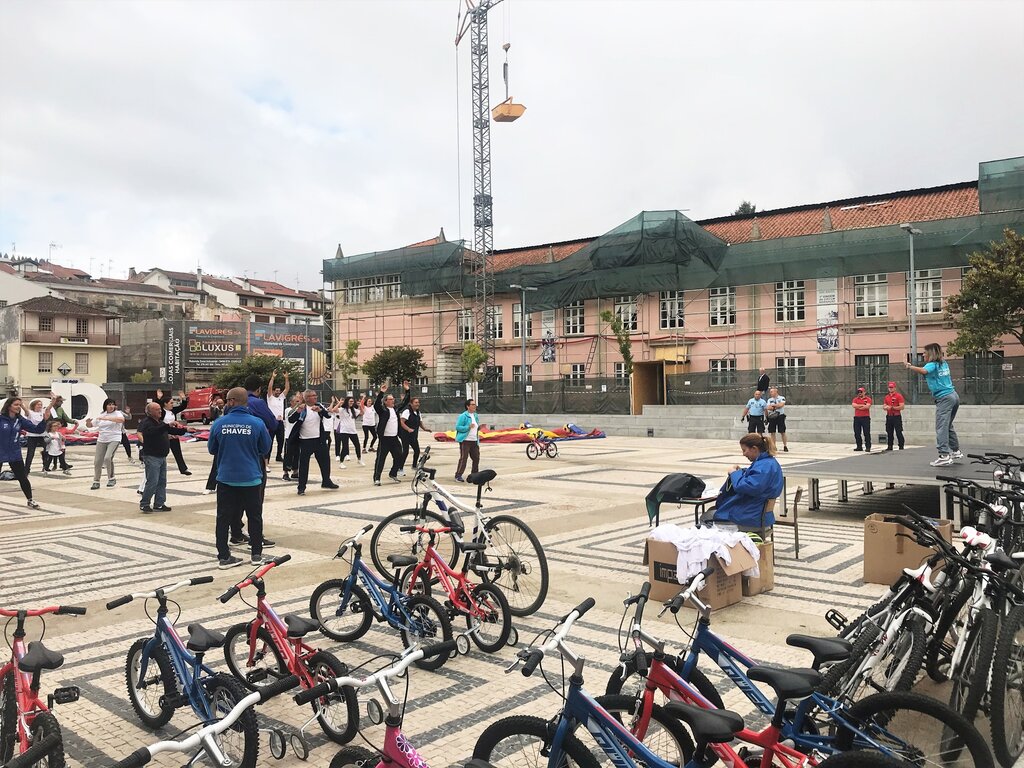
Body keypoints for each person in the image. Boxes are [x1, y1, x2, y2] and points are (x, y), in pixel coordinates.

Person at [208, 387, 273, 569]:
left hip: (226, 478)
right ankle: (256, 554)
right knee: (254, 516)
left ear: (231, 401)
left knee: (223, 517)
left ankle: (224, 556)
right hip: (251, 477)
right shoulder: (257, 423)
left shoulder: (219, 423)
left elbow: (212, 449)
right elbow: (265, 448)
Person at [710, 433, 784, 529]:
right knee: (712, 513)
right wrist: (742, 472)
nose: (743, 454)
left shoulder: (764, 466)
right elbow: (755, 480)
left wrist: (734, 473)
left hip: (751, 517)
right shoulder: (769, 463)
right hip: (760, 515)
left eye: (744, 450)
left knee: (707, 518)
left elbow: (744, 486)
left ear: (754, 449)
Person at [906, 343, 961, 467]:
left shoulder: (932, 364)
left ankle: (944, 455)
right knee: (947, 425)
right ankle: (955, 451)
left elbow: (924, 371)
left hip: (944, 398)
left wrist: (910, 366)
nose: (923, 355)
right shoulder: (943, 363)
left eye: (925, 353)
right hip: (953, 395)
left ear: (930, 354)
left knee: (941, 427)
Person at [138, 401, 194, 513]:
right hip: (152, 456)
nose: (160, 411)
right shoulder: (147, 423)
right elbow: (153, 431)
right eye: (157, 409)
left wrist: (185, 430)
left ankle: (159, 503)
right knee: (152, 481)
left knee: (162, 481)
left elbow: (170, 430)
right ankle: (144, 504)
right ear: (150, 412)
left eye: (160, 409)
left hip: (162, 456)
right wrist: (167, 425)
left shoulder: (160, 422)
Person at [288, 389, 339, 495]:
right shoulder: (301, 407)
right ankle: (301, 487)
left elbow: (328, 415)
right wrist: (298, 411)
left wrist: (320, 410)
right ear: (307, 398)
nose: (315, 397)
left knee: (325, 461)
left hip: (319, 439)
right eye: (313, 396)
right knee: (304, 465)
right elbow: (290, 419)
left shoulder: (318, 405)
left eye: (315, 395)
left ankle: (326, 481)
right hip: (305, 441)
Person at [0, 397, 46, 508]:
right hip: (0, 451)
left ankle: (30, 500)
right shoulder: (1, 419)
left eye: (20, 405)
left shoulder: (20, 420)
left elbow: (37, 430)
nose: (18, 407)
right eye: (16, 405)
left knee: (22, 477)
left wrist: (44, 420)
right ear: (9, 406)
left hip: (14, 453)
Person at [372, 381, 411, 486]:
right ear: (385, 402)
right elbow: (376, 405)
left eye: (393, 399)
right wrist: (381, 392)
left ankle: (393, 473)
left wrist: (407, 390)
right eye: (390, 399)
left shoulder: (396, 409)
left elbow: (405, 402)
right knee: (380, 459)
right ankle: (377, 478)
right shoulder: (383, 410)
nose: (393, 400)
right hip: (385, 439)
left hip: (394, 438)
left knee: (399, 456)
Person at [87, 398, 126, 490]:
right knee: (97, 461)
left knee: (108, 458)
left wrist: (107, 418)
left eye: (113, 404)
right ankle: (96, 481)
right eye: (109, 404)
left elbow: (121, 420)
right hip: (102, 439)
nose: (111, 406)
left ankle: (111, 478)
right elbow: (91, 425)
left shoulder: (117, 413)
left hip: (114, 438)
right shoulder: (101, 414)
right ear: (105, 406)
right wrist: (88, 422)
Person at [155, 389, 191, 475]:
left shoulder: (173, 411)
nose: (172, 404)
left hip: (174, 434)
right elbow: (156, 406)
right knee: (162, 453)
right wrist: (158, 398)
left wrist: (183, 398)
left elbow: (183, 406)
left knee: (178, 452)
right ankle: (158, 468)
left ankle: (183, 469)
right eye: (171, 403)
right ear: (165, 404)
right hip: (164, 435)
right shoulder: (161, 412)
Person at [43, 395, 75, 471]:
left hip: (56, 429)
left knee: (58, 446)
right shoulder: (50, 409)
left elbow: (66, 418)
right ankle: (47, 465)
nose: (62, 403)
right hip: (49, 429)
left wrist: (73, 422)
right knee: (49, 448)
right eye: (60, 401)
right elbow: (51, 417)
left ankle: (62, 464)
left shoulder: (60, 409)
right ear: (56, 401)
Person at [454, 398, 481, 482]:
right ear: (467, 406)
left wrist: (479, 428)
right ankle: (458, 475)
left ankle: (474, 475)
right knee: (464, 458)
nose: (474, 406)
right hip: (465, 440)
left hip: (474, 440)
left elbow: (475, 426)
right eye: (472, 404)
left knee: (476, 458)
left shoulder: (475, 415)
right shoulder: (463, 416)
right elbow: (458, 427)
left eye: (475, 404)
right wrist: (468, 427)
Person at [334, 395, 364, 469]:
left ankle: (359, 459)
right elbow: (334, 410)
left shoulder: (354, 410)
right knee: (345, 447)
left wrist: (360, 406)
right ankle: (341, 462)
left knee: (357, 445)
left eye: (352, 401)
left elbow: (362, 413)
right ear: (347, 402)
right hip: (344, 430)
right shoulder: (342, 409)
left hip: (352, 430)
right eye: (350, 401)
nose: (351, 402)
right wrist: (339, 403)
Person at [399, 395, 427, 473]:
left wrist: (425, 429)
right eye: (416, 402)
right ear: (411, 404)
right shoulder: (407, 411)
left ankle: (414, 466)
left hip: (413, 435)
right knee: (405, 452)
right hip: (405, 435)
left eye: (418, 402)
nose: (418, 404)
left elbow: (420, 422)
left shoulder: (418, 412)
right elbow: (401, 422)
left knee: (417, 451)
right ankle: (400, 468)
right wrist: (408, 429)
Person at [267, 370, 290, 462]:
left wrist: (286, 378)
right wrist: (273, 377)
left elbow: (287, 388)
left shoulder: (281, 398)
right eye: (276, 391)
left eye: (279, 391)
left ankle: (278, 456)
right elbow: (269, 387)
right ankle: (267, 457)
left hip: (280, 422)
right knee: (270, 441)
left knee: (281, 440)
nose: (278, 392)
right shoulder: (270, 398)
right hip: (272, 422)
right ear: (273, 391)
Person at [282, 393, 303, 481]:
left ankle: (295, 471)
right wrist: (299, 405)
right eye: (296, 401)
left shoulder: (301, 410)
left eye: (298, 401)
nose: (298, 403)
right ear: (291, 402)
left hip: (297, 435)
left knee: (297, 454)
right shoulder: (288, 410)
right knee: (288, 455)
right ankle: (285, 472)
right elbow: (291, 415)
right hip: (289, 435)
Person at [22, 399, 46, 472]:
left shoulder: (42, 413)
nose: (40, 406)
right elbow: (25, 409)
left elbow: (49, 409)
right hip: (32, 435)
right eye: (38, 404)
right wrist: (21, 404)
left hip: (42, 435)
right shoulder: (30, 412)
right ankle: (27, 468)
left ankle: (45, 465)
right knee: (30, 453)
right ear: (34, 405)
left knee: (47, 449)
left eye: (41, 405)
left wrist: (53, 400)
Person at [882, 381, 906, 452]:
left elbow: (902, 406)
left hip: (896, 416)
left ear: (895, 388)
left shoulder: (898, 396)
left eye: (892, 387)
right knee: (889, 431)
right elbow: (884, 406)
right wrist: (886, 407)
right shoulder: (887, 397)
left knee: (898, 431)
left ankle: (901, 445)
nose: (890, 389)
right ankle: (890, 446)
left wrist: (893, 407)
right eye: (889, 387)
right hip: (889, 416)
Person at [765, 387, 788, 452]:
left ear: (776, 391)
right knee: (772, 432)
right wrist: (776, 406)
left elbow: (781, 405)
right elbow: (768, 407)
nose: (771, 393)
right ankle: (774, 446)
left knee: (782, 431)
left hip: (780, 416)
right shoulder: (769, 400)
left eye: (772, 392)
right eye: (770, 392)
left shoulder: (781, 398)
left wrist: (773, 406)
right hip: (772, 416)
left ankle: (785, 445)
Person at [852, 386, 872, 452]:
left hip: (865, 418)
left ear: (864, 392)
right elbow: (854, 405)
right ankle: (859, 446)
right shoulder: (855, 399)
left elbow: (867, 407)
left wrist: (858, 406)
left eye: (861, 392)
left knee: (866, 432)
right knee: (857, 433)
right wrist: (862, 405)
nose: (860, 393)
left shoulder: (868, 399)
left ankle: (868, 447)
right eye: (858, 392)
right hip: (857, 418)